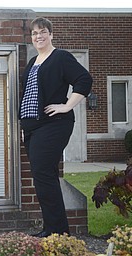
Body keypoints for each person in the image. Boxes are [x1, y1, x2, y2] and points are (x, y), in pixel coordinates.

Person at [19, 17, 93, 238]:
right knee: (44, 176)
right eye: (34, 33)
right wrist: (25, 125)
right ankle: (55, 230)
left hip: (54, 124)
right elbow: (28, 96)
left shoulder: (60, 57)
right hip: (33, 128)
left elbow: (84, 80)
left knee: (42, 174)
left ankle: (56, 231)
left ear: (51, 34)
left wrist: (66, 106)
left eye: (43, 32)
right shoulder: (33, 62)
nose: (38, 36)